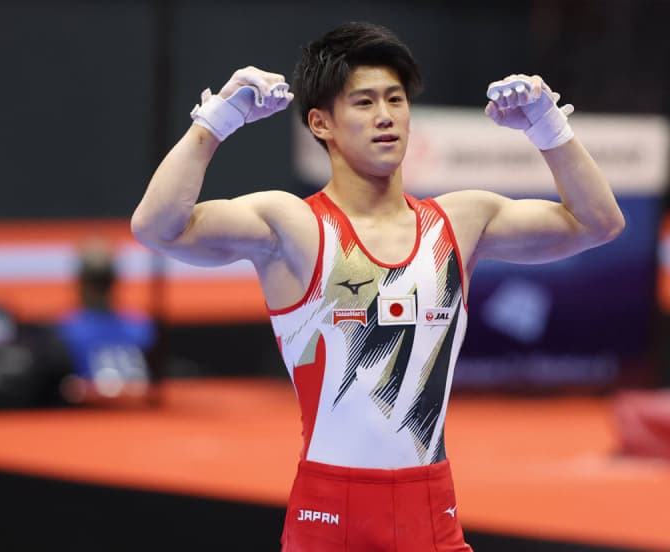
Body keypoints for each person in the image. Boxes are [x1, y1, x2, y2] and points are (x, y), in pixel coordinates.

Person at [131, 21, 624, 552]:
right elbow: (158, 228)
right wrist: (214, 123)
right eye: (363, 103)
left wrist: (549, 129)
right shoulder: (294, 227)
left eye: (395, 99)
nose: (385, 116)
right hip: (329, 518)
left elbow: (598, 223)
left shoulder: (460, 222)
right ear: (321, 123)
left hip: (430, 513)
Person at [56, 239, 156, 406]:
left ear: (81, 282)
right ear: (114, 281)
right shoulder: (142, 325)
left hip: (91, 413)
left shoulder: (65, 329)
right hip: (138, 409)